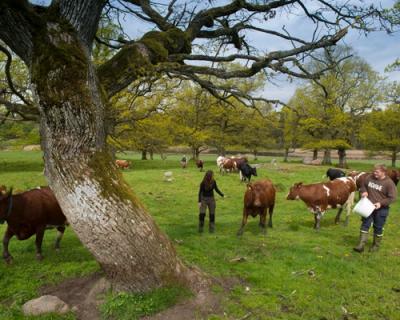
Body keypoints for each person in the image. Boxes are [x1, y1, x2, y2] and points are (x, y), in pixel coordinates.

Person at [353, 164, 397, 253]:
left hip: (381, 210)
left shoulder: (389, 183)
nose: (374, 173)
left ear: (383, 172)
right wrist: (364, 191)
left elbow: (392, 198)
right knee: (365, 224)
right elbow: (363, 185)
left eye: (377, 172)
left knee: (378, 227)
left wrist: (381, 203)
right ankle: (361, 245)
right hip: (367, 207)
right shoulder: (370, 177)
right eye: (374, 171)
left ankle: (375, 246)